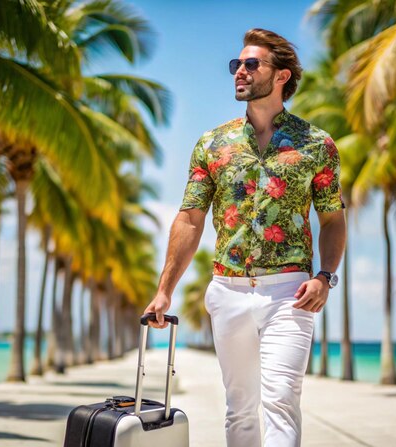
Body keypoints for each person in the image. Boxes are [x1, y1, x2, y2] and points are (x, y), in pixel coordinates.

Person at [144, 28, 347, 447]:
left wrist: (325, 276)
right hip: (227, 290)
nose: (239, 71)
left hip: (290, 293)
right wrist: (165, 290)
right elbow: (190, 219)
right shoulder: (212, 144)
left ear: (281, 77)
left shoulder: (317, 145)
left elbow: (332, 220)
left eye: (251, 64)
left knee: (281, 401)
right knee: (239, 409)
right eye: (236, 64)